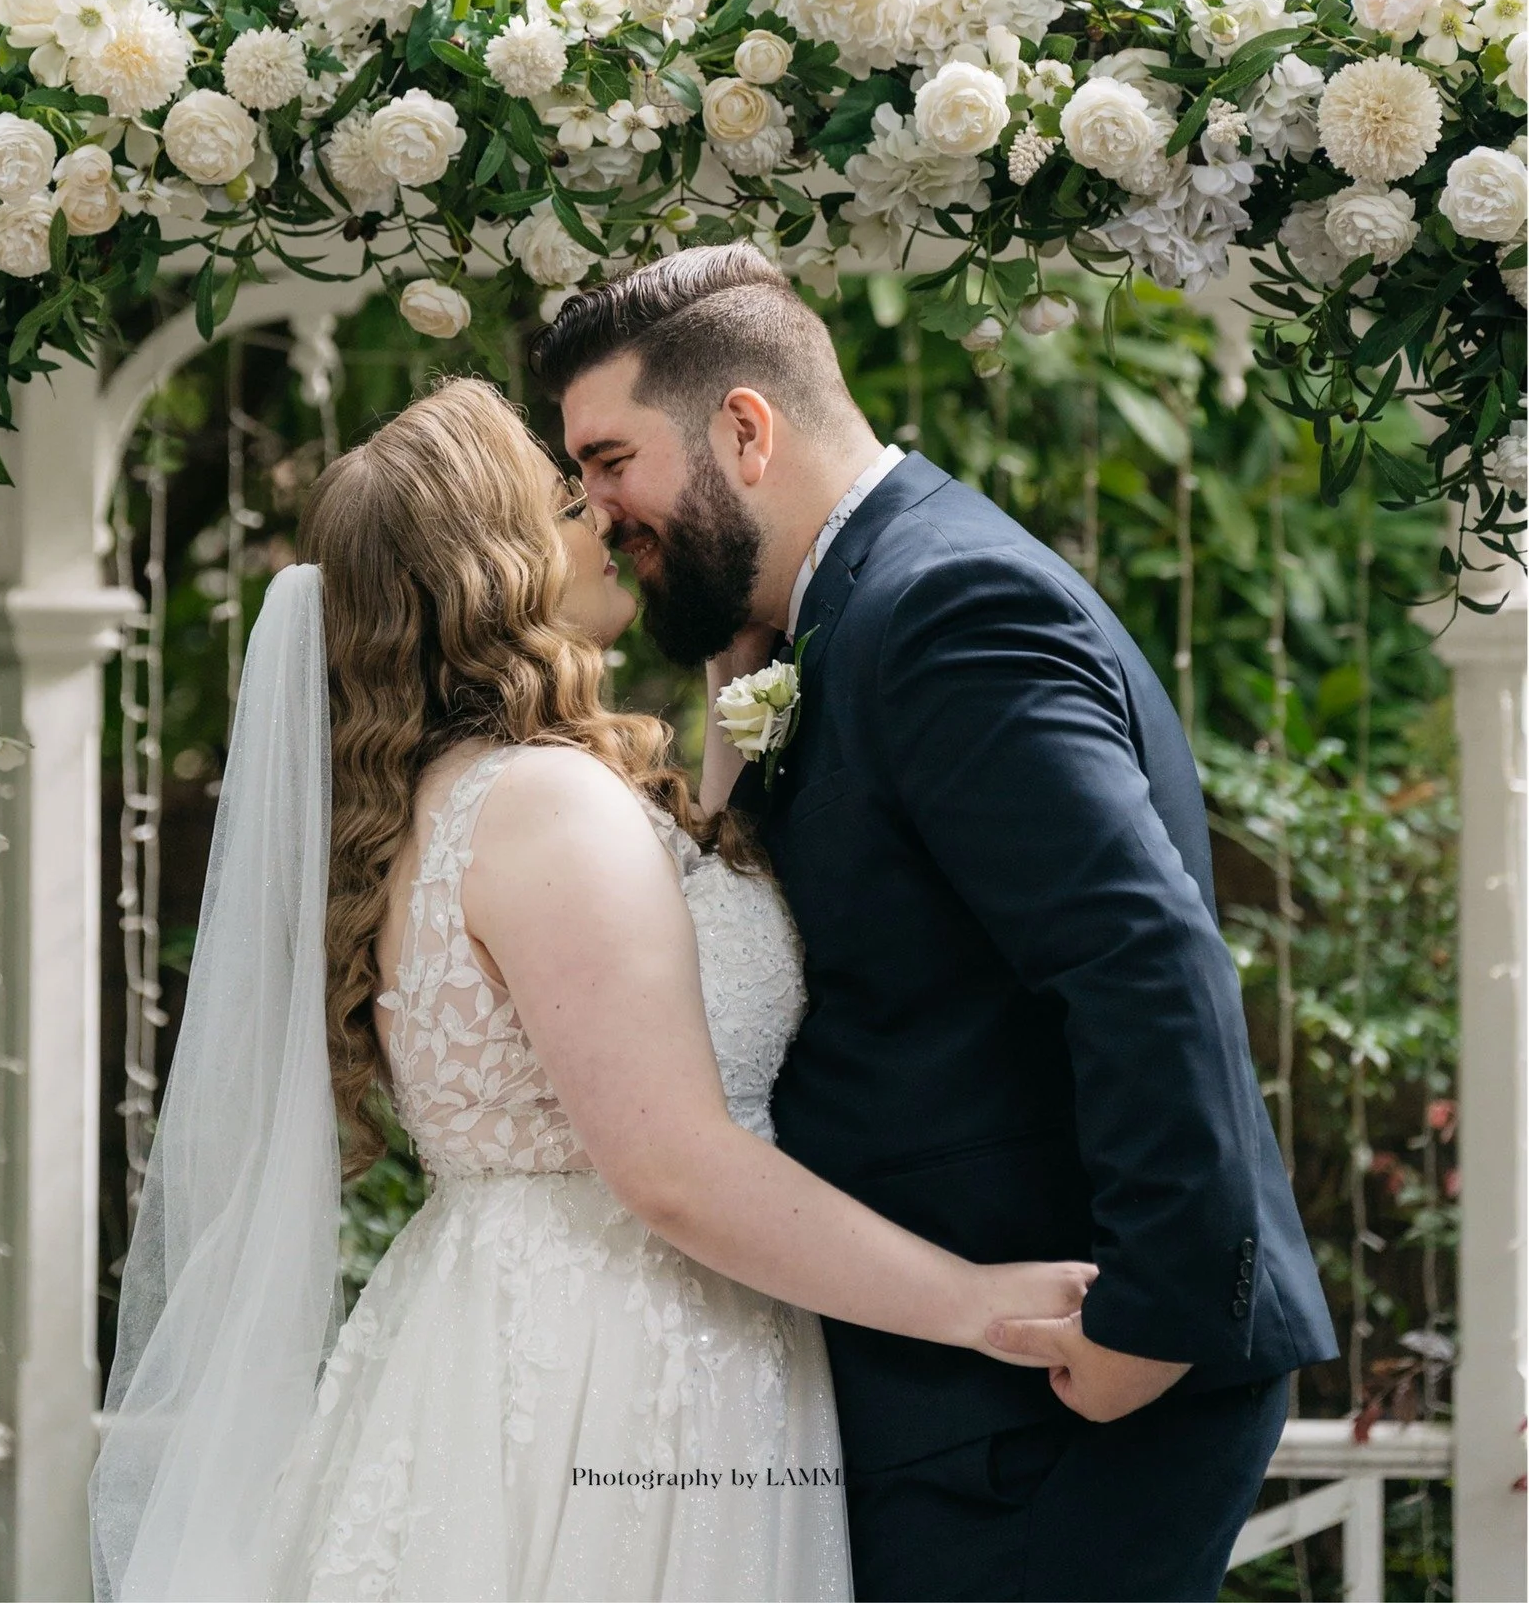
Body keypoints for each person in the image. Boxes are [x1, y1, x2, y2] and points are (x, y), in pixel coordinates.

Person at [88, 374, 1093, 1603]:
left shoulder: (457, 800)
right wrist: (979, 1307)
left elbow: (661, 963)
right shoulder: (543, 804)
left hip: (507, 1330)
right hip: (623, 1368)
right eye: (572, 502)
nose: (608, 522)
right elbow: (671, 1161)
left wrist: (739, 653)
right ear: (496, 566)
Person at [532, 243, 1340, 1603]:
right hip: (961, 1394)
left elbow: (1138, 958)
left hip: (1047, 1397)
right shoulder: (828, 620)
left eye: (612, 461)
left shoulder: (944, 610)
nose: (598, 509)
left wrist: (1154, 1317)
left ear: (742, 429)